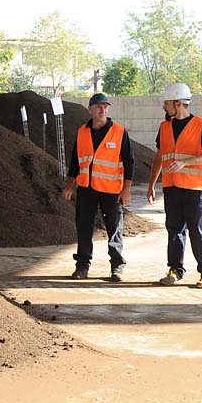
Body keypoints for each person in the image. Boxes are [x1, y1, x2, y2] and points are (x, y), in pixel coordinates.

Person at [145, 82, 202, 289]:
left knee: (198, 230)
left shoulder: (201, 125)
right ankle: (175, 270)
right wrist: (151, 184)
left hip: (195, 189)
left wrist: (185, 163)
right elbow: (159, 157)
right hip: (171, 187)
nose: (163, 107)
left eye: (166, 103)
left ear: (178, 104)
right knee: (174, 230)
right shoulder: (164, 127)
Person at [63, 92, 134, 281]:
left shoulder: (119, 132)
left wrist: (126, 189)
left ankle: (117, 267)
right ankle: (82, 267)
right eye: (99, 107)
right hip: (86, 189)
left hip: (111, 190)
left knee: (114, 228)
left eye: (106, 107)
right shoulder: (82, 132)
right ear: (90, 110)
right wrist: (70, 184)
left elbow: (129, 162)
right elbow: (75, 161)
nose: (103, 110)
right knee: (84, 227)